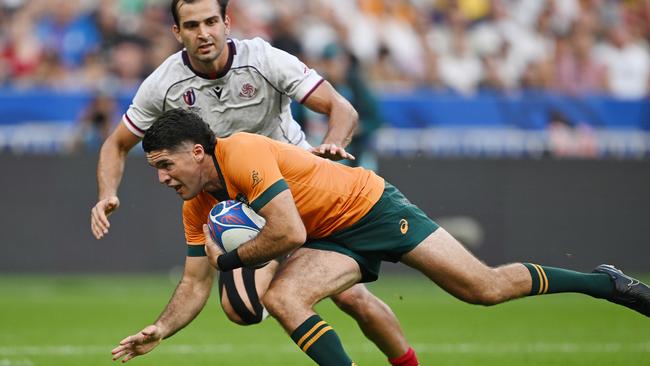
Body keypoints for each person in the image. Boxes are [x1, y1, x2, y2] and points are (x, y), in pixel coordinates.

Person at [112, 109, 650, 365]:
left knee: (483, 288)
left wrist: (231, 259)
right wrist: (161, 328)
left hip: (371, 207)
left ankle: (603, 283)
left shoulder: (244, 151)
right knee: (281, 297)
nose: (161, 177)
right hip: (330, 237)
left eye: (164, 164)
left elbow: (287, 232)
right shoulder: (198, 202)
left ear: (198, 152)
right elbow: (194, 279)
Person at [94, 0, 417, 364]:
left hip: (294, 190)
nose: (203, 33)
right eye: (192, 25)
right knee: (240, 310)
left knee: (351, 297)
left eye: (211, 22)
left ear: (226, 23)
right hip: (235, 204)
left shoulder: (263, 59)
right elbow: (116, 144)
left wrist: (332, 146)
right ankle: (274, 260)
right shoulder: (163, 83)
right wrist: (107, 193)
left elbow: (342, 108)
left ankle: (407, 362)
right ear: (177, 32)